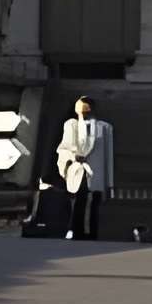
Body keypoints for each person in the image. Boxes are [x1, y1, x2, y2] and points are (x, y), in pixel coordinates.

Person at [56, 96, 114, 240]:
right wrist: (72, 157)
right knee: (77, 201)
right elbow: (64, 147)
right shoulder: (71, 125)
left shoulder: (105, 128)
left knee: (95, 203)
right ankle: (75, 231)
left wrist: (109, 183)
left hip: (96, 173)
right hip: (77, 171)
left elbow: (108, 156)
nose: (83, 114)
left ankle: (92, 232)